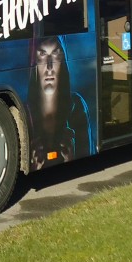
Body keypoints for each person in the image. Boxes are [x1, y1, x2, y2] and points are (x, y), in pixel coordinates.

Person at [27, 34, 92, 166]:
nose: (49, 67)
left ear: (62, 60)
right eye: (42, 55)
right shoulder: (24, 113)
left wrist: (71, 160)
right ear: (34, 63)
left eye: (55, 54)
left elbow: (86, 156)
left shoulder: (77, 105)